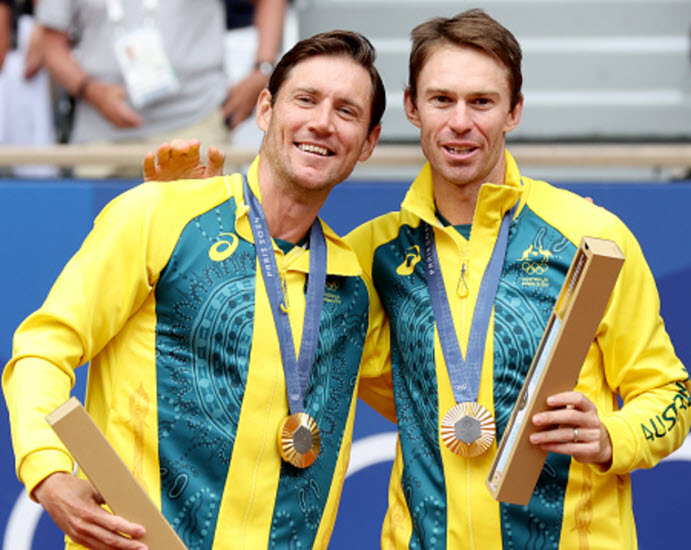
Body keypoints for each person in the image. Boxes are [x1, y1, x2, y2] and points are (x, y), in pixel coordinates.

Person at [148, 10, 690, 549]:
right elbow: (258, 307)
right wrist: (195, 207)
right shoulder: (365, 255)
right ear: (412, 107)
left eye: (481, 102)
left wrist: (611, 436)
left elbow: (671, 393)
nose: (460, 122)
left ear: (514, 111)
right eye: (441, 100)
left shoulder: (589, 235)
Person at [2, 29, 388, 550]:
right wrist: (47, 473)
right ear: (265, 109)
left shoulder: (355, 287)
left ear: (368, 142)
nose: (322, 121)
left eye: (347, 111)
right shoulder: (161, 213)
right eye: (306, 99)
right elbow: (42, 350)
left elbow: (436, 398)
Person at [35, 0, 285, 178]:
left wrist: (261, 71)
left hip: (197, 121)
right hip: (103, 134)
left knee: (211, 239)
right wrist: (91, 91)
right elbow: (51, 44)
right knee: (112, 245)